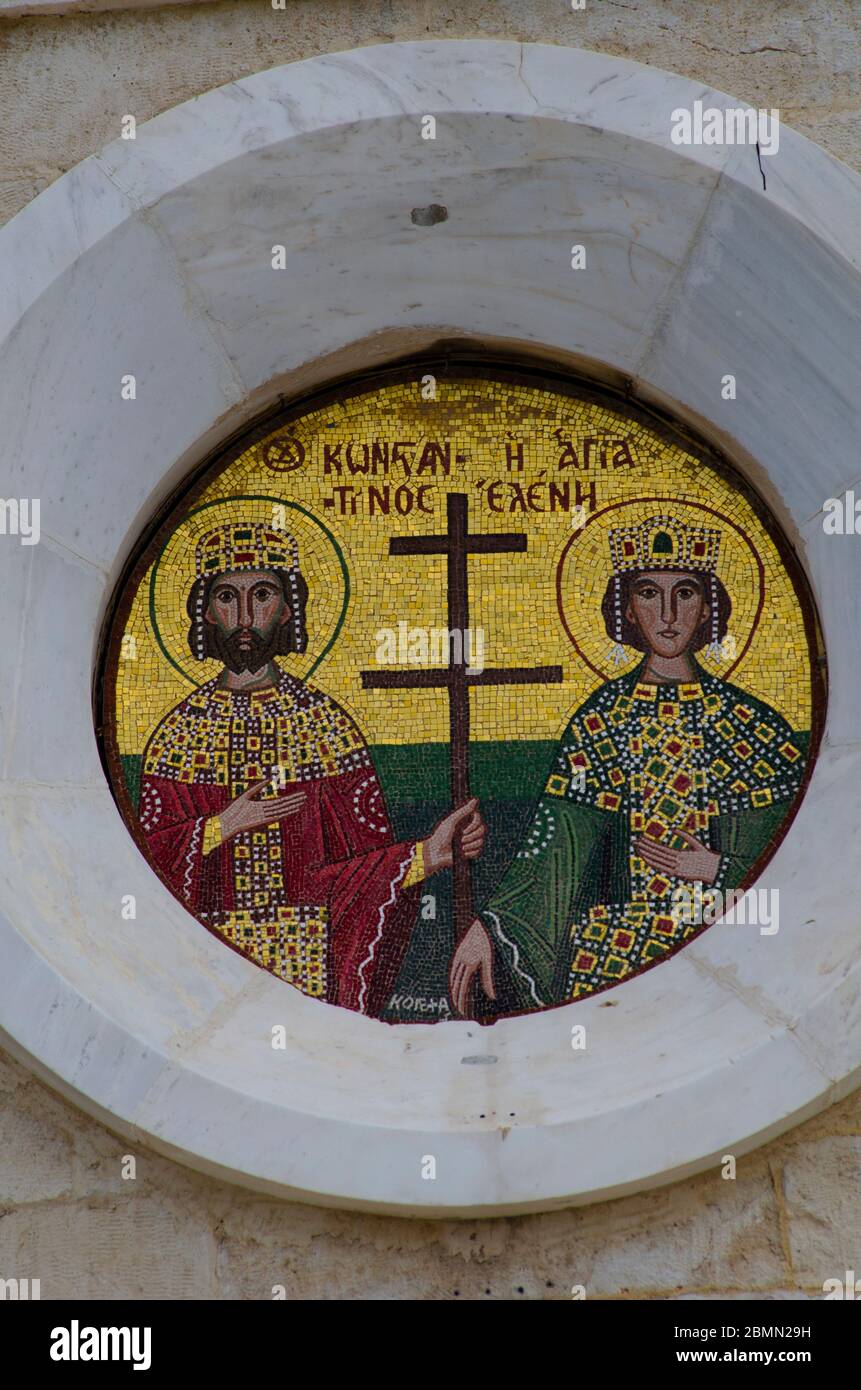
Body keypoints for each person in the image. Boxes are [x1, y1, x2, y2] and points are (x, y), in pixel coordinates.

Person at [449, 514, 807, 1017]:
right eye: (647, 593)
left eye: (684, 593)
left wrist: (716, 869)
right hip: (612, 956)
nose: (667, 613)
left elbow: (802, 856)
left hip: (725, 943)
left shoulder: (753, 726)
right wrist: (492, 924)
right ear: (627, 609)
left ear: (708, 608)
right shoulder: (602, 720)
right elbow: (555, 851)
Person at [139, 520, 484, 1017]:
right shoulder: (177, 737)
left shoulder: (325, 729)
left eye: (261, 595)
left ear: (286, 608)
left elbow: (358, 873)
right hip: (207, 966)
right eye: (225, 597)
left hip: (314, 964)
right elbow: (143, 869)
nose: (243, 616)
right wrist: (220, 828)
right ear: (206, 612)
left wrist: (427, 855)